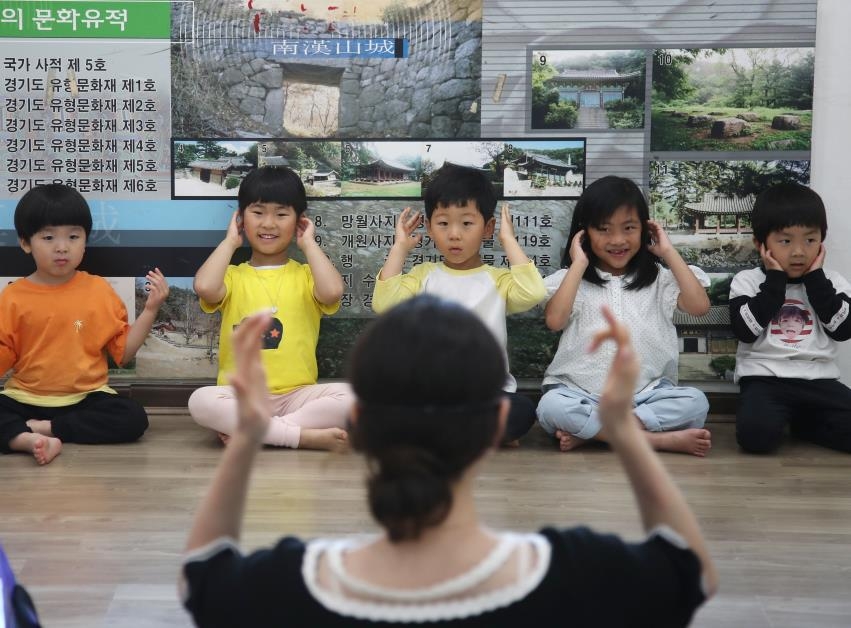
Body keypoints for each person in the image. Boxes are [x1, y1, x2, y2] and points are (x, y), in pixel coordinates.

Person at [180, 295, 717, 626]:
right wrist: (621, 429)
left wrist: (252, 436)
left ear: (359, 425)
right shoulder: (575, 573)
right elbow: (690, 571)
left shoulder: (286, 584)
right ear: (493, 430)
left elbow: (200, 575)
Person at [536, 176, 713, 456]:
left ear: (645, 230)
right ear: (584, 234)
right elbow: (554, 321)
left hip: (647, 396)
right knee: (551, 407)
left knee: (696, 402)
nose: (617, 240)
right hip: (581, 394)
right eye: (604, 229)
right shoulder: (572, 279)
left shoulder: (661, 280)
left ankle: (596, 435)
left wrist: (667, 251)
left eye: (629, 228)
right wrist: (579, 263)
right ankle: (655, 441)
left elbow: (699, 307)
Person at [371, 164, 546, 445]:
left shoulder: (497, 280)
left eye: (467, 223)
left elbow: (534, 292)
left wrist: (509, 240)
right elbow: (385, 304)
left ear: (487, 228)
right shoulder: (424, 276)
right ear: (429, 227)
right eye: (443, 223)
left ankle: (447, 432)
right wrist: (399, 248)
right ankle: (474, 433)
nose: (454, 234)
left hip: (487, 395)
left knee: (522, 411)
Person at [0, 183, 169, 465]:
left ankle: (39, 431)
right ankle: (28, 440)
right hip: (25, 397)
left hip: (86, 398)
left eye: (73, 236)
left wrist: (151, 310)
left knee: (133, 417)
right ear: (25, 242)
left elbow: (123, 354)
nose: (62, 247)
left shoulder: (99, 291)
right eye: (49, 237)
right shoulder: (13, 296)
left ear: (85, 240)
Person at [188, 166, 351, 452]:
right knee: (200, 401)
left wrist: (309, 245)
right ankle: (299, 436)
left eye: (281, 214)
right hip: (242, 396)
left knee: (353, 397)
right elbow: (204, 287)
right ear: (240, 219)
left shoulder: (305, 274)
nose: (269, 224)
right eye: (258, 212)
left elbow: (333, 292)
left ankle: (262, 432)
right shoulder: (234, 276)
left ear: (299, 221)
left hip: (298, 395)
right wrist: (229, 242)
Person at [730, 183, 851, 453]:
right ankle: (797, 420)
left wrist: (816, 280)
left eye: (810, 240)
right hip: (764, 378)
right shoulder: (747, 281)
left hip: (819, 379)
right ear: (760, 244)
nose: (798, 252)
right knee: (755, 438)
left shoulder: (833, 281)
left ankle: (805, 423)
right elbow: (745, 332)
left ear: (821, 241)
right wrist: (775, 280)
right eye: (785, 241)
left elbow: (842, 330)